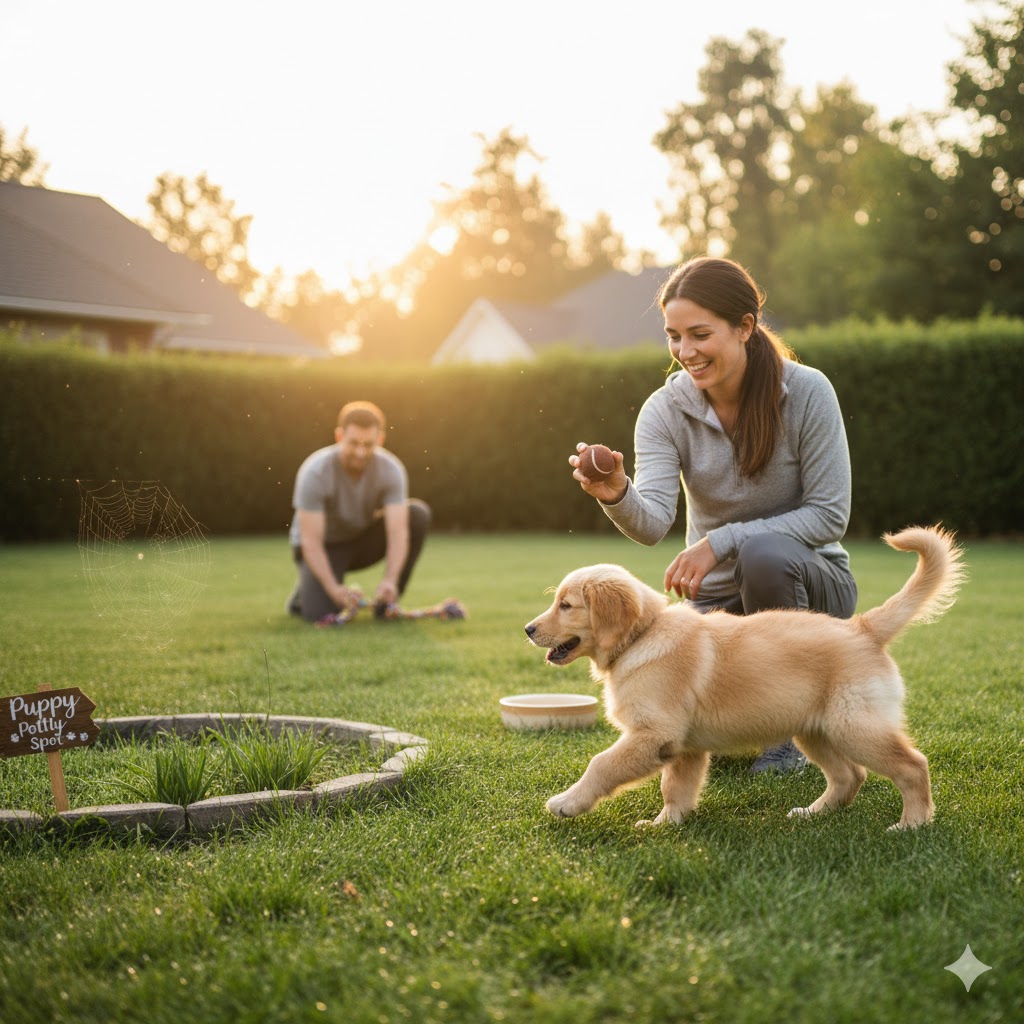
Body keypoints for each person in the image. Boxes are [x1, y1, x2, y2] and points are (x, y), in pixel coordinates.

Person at [570, 256, 857, 773]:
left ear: (745, 327)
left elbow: (829, 516)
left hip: (812, 592)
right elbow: (653, 523)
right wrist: (616, 493)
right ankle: (744, 721)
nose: (685, 352)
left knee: (763, 554)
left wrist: (721, 540)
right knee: (670, 671)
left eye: (700, 334)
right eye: (674, 336)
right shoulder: (664, 411)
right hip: (718, 603)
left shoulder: (809, 391)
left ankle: (785, 739)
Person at [287, 400, 431, 623]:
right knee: (320, 614)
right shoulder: (314, 472)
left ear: (380, 440)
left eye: (368, 444)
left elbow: (397, 532)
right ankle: (304, 594)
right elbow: (311, 542)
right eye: (353, 443)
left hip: (358, 540)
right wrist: (334, 589)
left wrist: (390, 580)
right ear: (339, 437)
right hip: (324, 546)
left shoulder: (391, 470)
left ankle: (387, 603)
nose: (361, 452)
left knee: (417, 515)